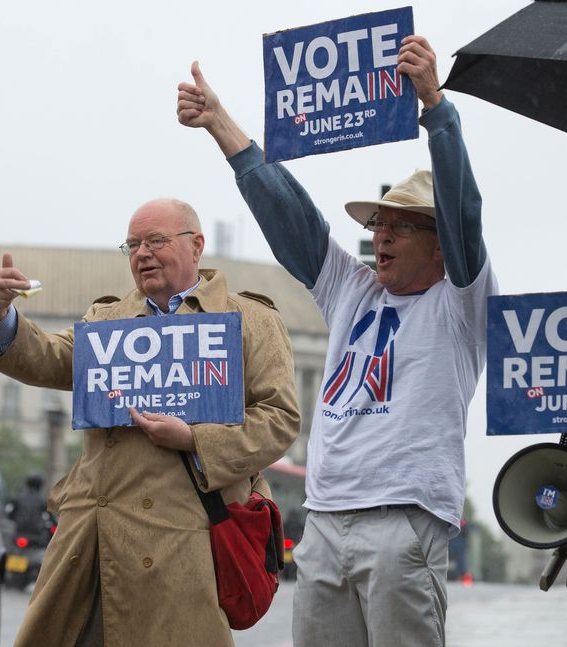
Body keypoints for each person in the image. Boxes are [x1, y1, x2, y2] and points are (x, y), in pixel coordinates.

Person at [177, 35, 497, 646]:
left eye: (402, 226)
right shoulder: (353, 289)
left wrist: (435, 105)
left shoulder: (460, 299)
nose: (381, 236)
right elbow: (289, 214)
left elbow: (464, 212)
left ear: (439, 244)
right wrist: (222, 125)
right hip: (324, 522)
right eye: (379, 224)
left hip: (404, 519)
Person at [0, 197, 300, 647]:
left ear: (196, 246)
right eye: (132, 245)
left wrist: (193, 438)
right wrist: (2, 317)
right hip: (92, 541)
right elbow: (51, 359)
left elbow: (279, 420)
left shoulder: (250, 320)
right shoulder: (107, 319)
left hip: (184, 549)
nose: (142, 253)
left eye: (156, 241)